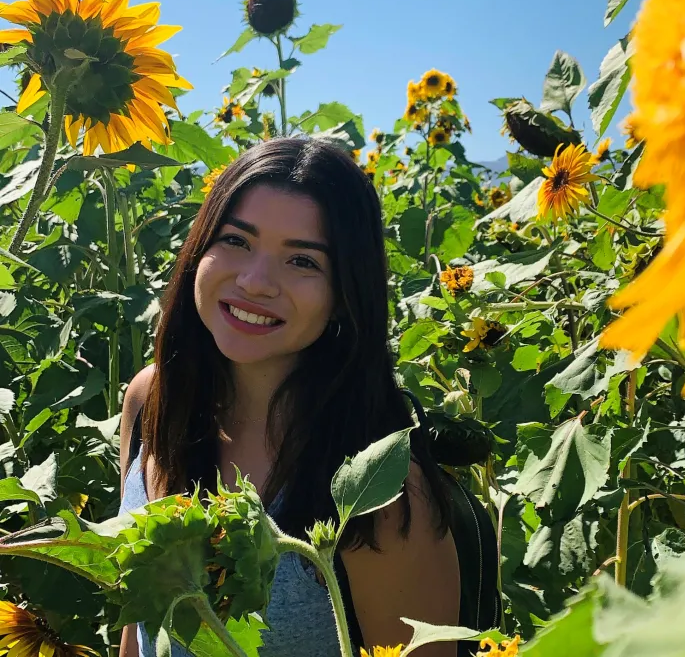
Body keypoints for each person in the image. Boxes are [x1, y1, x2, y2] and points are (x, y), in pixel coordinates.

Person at [118, 137, 461, 657]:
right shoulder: (152, 400)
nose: (255, 282)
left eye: (302, 261)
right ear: (198, 252)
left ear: (346, 295)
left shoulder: (381, 494)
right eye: (236, 241)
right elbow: (139, 630)